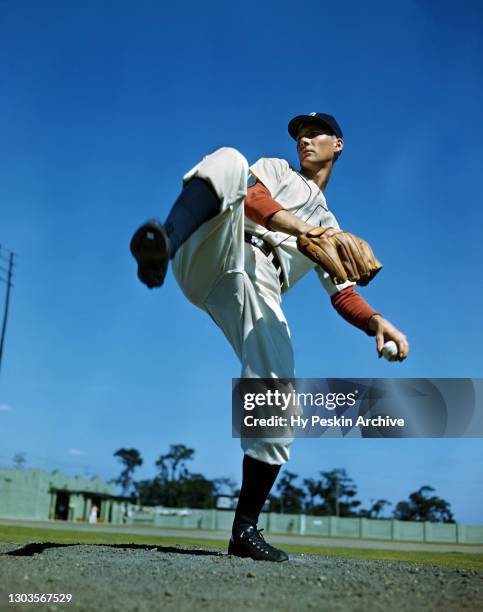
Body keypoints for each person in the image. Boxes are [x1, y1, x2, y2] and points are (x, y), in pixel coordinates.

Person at [130, 112, 409, 562]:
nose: (304, 139)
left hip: (259, 286)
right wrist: (301, 228)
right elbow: (252, 196)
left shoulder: (332, 227)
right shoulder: (279, 171)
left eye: (314, 133)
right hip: (217, 245)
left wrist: (377, 323)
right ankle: (164, 241)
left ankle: (244, 531)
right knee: (230, 160)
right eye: (300, 133)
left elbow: (342, 293)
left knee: (278, 388)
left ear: (338, 145)